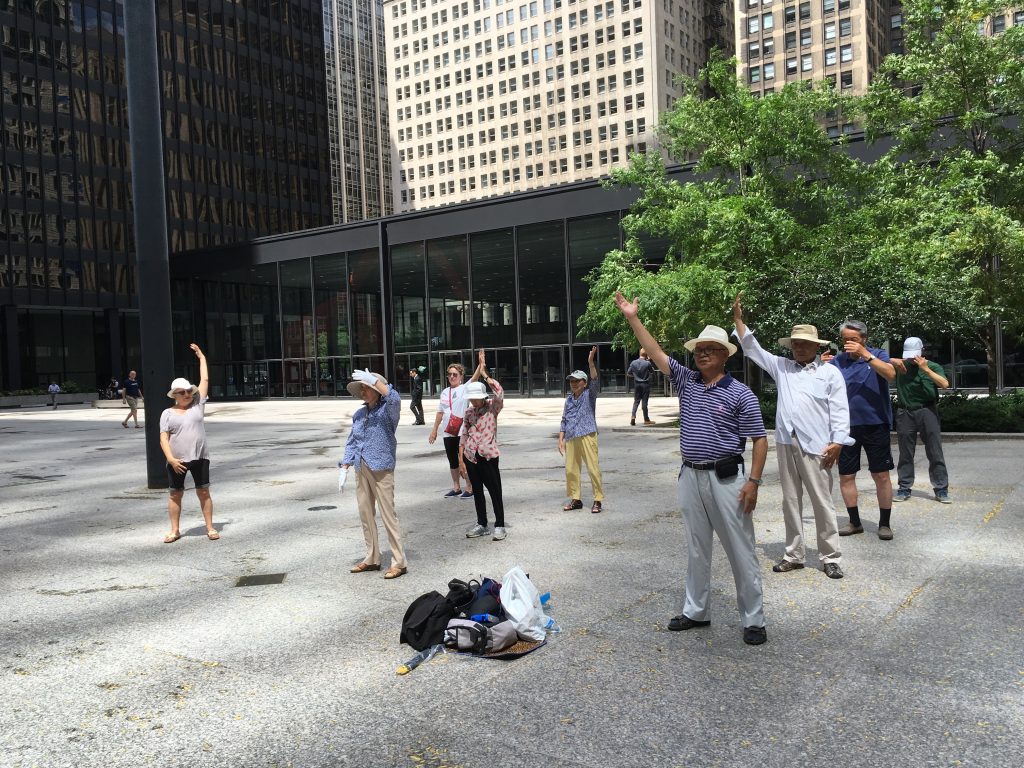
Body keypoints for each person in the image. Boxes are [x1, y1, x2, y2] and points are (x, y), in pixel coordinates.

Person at [615, 291, 769, 646]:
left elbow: (759, 440)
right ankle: (696, 611)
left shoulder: (741, 394)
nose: (702, 354)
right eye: (699, 349)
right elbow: (654, 352)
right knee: (697, 547)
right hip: (690, 475)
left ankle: (754, 619)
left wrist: (754, 482)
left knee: (741, 549)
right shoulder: (687, 381)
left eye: (710, 349)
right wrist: (633, 318)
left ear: (724, 356)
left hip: (727, 479)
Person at [733, 295, 852, 579]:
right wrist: (738, 320)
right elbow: (752, 348)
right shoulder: (782, 367)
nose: (799, 347)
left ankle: (830, 556)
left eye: (804, 343)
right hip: (787, 442)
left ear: (816, 346)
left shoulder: (830, 373)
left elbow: (840, 409)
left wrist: (838, 441)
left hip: (818, 445)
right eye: (795, 343)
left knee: (822, 502)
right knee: (790, 501)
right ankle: (794, 554)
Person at [824, 320, 897, 540]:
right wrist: (821, 366)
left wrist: (866, 355)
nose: (849, 343)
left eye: (853, 339)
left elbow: (891, 375)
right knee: (846, 475)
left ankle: (884, 524)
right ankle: (854, 522)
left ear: (864, 338)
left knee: (881, 475)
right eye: (845, 340)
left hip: (876, 424)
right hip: (845, 427)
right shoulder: (838, 361)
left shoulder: (878, 354)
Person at [341, 368, 407, 579]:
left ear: (377, 390)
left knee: (388, 515)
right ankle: (372, 558)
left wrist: (375, 381)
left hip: (381, 468)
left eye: (367, 387)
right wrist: (345, 464)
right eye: (361, 388)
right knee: (366, 513)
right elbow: (352, 441)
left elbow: (395, 398)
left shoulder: (387, 411)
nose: (363, 391)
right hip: (361, 467)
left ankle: (399, 562)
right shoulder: (359, 414)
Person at [159, 343, 218, 543]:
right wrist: (170, 459)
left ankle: (210, 527)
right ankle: (175, 530)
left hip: (200, 457)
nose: (186, 394)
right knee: (175, 494)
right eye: (182, 392)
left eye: (188, 391)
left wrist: (201, 357)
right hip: (177, 460)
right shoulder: (167, 413)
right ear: (174, 395)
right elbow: (163, 438)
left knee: (204, 491)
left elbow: (205, 379)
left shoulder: (197, 405)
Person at [890, 337, 952, 504]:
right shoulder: (901, 365)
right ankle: (904, 487)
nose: (912, 359)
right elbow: (876, 360)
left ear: (922, 351)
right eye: (909, 355)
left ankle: (941, 488)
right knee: (905, 452)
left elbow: (945, 384)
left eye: (914, 355)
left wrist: (926, 370)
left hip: (927, 410)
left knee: (934, 450)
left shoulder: (933, 366)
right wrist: (891, 359)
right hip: (905, 412)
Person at [459, 350, 507, 541]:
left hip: (488, 456)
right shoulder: (469, 413)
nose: (473, 401)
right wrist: (461, 460)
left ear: (483, 396)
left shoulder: (492, 407)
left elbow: (500, 392)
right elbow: (464, 435)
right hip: (471, 456)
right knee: (477, 490)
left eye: (475, 398)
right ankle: (482, 523)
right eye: (471, 398)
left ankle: (500, 525)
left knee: (495, 491)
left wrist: (484, 373)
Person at [558, 346, 604, 513]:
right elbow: (564, 420)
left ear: (584, 383)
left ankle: (597, 499)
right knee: (571, 470)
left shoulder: (589, 396)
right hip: (571, 437)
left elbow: (595, 379)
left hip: (587, 435)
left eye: (577, 381)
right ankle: (576, 499)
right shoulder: (569, 400)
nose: (574, 384)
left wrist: (591, 362)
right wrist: (561, 439)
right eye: (572, 381)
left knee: (593, 468)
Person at [428, 362, 480, 498]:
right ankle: (456, 487)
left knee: (465, 460)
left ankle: (469, 487)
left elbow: (474, 378)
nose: (452, 377)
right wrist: (434, 430)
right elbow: (440, 412)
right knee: (452, 461)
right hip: (447, 432)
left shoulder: (464, 388)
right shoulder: (445, 392)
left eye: (455, 374)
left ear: (461, 376)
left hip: (462, 432)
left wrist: (481, 364)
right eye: (450, 374)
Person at [626, 348, 656, 426]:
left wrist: (635, 377)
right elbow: (652, 372)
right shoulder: (647, 363)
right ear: (646, 355)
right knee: (644, 402)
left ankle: (633, 416)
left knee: (636, 401)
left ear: (640, 353)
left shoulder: (633, 363)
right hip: (645, 384)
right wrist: (649, 361)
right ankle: (646, 419)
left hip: (637, 384)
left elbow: (628, 374)